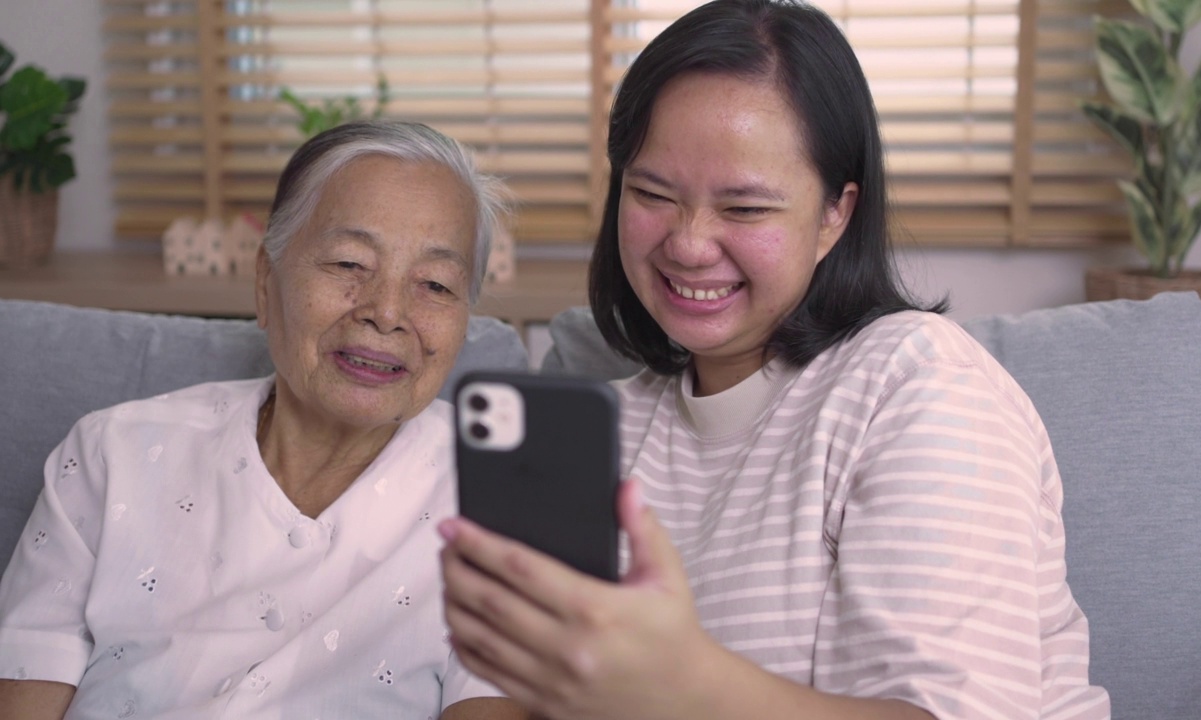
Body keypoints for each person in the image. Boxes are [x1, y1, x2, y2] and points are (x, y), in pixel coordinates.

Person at [437, 2, 1112, 719]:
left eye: (746, 209)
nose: (689, 243)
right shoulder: (609, 430)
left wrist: (683, 682)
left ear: (834, 214)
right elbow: (496, 688)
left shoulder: (917, 384)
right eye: (652, 193)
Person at [0, 122, 530, 719]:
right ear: (264, 282)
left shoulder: (504, 505)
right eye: (349, 262)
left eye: (435, 283)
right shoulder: (108, 454)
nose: (387, 313)